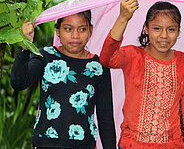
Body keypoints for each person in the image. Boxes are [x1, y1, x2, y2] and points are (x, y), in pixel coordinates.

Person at [100, 0, 184, 149]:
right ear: (146, 29)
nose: (164, 35)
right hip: (131, 145)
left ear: (179, 31)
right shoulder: (133, 55)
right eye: (157, 28)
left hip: (172, 145)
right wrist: (123, 18)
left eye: (171, 29)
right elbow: (107, 59)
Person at [11, 10, 116, 148]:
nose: (75, 35)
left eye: (82, 29)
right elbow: (18, 82)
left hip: (83, 145)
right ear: (58, 31)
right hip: (45, 143)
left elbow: (105, 117)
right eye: (68, 29)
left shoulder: (98, 67)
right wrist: (25, 47)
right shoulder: (45, 56)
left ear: (90, 30)